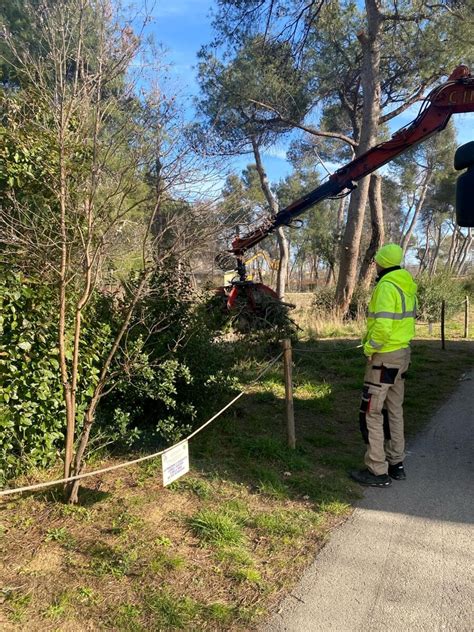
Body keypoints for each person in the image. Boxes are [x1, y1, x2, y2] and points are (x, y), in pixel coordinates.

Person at [351, 244, 417, 488]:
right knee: (394, 409)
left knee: (371, 411)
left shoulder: (386, 287)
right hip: (402, 355)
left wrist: (369, 348)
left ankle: (377, 470)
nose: (375, 264)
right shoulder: (406, 285)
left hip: (384, 358)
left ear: (382, 263)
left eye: (377, 261)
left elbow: (383, 327)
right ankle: (396, 463)